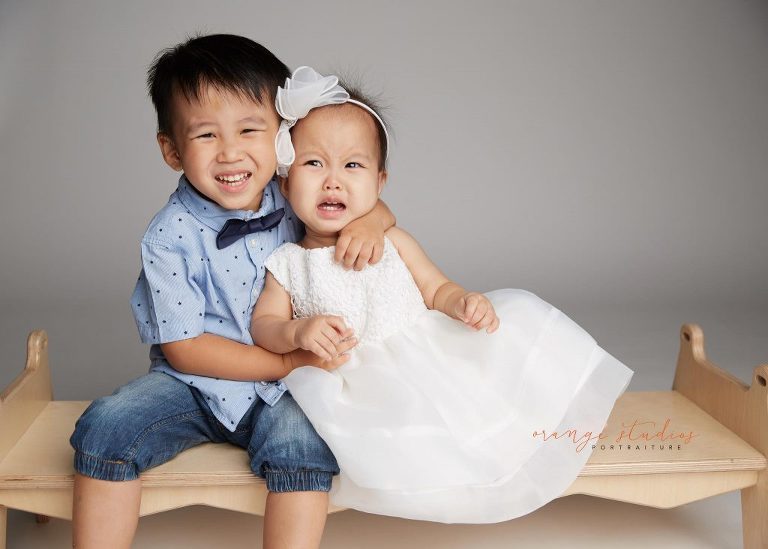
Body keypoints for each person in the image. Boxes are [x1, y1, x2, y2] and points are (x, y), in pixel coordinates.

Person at [250, 66, 635, 524]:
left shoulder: (394, 241)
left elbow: (435, 288)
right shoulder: (289, 263)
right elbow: (264, 327)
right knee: (400, 438)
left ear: (380, 183)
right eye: (314, 164)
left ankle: (552, 432)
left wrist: (462, 302)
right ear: (285, 181)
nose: (333, 180)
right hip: (355, 381)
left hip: (424, 353)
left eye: (352, 165)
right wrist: (297, 330)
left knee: (483, 398)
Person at [69, 36, 395, 549]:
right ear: (172, 150)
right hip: (195, 384)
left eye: (249, 129)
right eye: (205, 135)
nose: (230, 152)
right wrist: (288, 364)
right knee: (106, 426)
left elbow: (362, 199)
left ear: (282, 137)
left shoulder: (297, 192)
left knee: (301, 446)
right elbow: (185, 347)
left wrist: (375, 221)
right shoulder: (168, 236)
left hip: (291, 391)